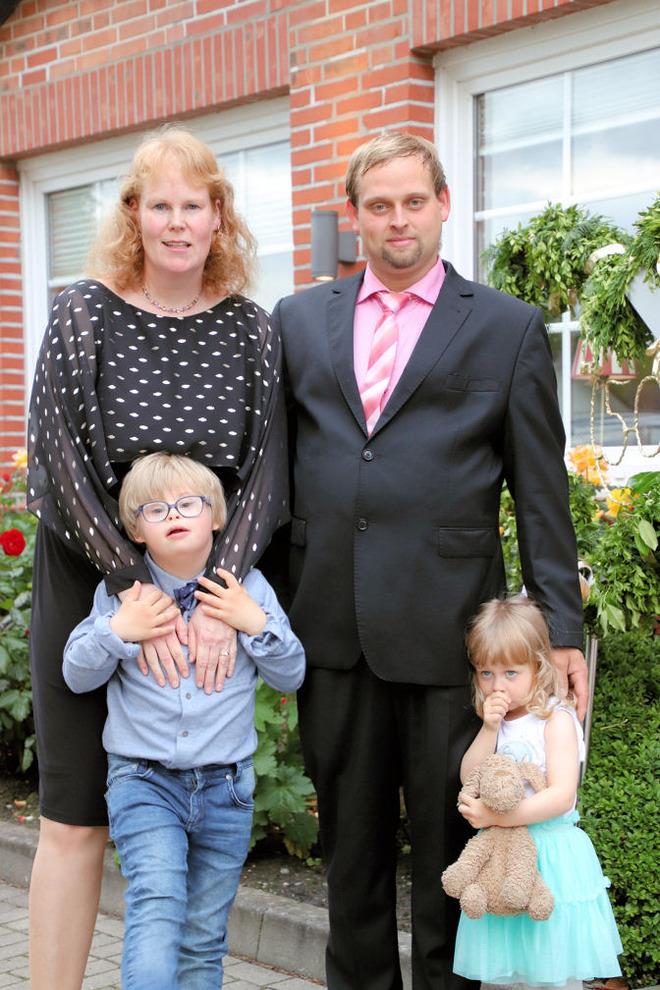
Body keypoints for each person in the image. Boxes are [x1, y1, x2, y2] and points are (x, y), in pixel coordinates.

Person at [269, 131, 589, 990]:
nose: (398, 220)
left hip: (457, 642)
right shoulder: (298, 321)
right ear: (354, 216)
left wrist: (561, 630)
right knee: (351, 858)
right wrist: (264, 613)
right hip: (333, 630)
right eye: (379, 205)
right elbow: (274, 477)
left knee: (458, 849)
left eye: (414, 201)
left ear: (444, 204)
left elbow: (541, 490)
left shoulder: (507, 327)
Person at [26, 126, 288, 990]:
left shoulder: (250, 328)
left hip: (212, 583)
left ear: (220, 217)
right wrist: (139, 594)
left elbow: (267, 473)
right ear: (134, 215)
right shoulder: (82, 312)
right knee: (75, 815)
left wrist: (209, 601)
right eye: (160, 205)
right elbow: (59, 464)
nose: (178, 223)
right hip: (93, 577)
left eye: (195, 206)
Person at [62, 452, 305, 990]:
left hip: (227, 790)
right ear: (136, 530)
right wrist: (117, 630)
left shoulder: (249, 589)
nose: (173, 514)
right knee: (157, 904)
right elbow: (76, 674)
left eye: (188, 504)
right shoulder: (121, 594)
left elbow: (290, 674)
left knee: (203, 937)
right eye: (155, 509)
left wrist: (254, 623)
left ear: (216, 517)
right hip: (144, 782)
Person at [454, 595, 622, 989]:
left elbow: (562, 796)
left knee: (552, 966)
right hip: (503, 858)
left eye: (511, 673)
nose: (497, 685)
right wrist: (489, 729)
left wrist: (497, 817)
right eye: (486, 673)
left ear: (539, 666)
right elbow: (470, 776)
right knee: (510, 961)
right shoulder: (496, 721)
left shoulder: (555, 719)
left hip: (550, 856)